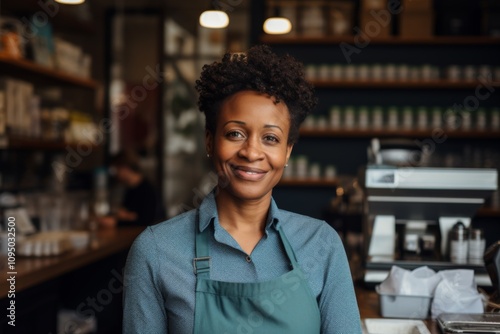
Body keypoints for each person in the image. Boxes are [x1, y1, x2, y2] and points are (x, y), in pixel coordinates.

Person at [123, 45, 362, 333]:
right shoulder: (156, 250)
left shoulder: (322, 244)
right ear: (209, 141)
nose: (251, 152)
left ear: (287, 152)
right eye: (235, 133)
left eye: (270, 138)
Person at [98, 150, 161, 228]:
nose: (116, 174)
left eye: (116, 169)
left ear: (125, 168)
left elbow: (146, 222)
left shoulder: (148, 190)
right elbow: (127, 214)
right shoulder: (131, 189)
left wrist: (116, 223)